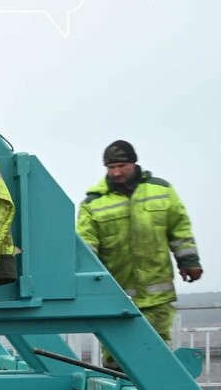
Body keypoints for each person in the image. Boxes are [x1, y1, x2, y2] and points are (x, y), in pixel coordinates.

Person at [77, 140, 203, 366]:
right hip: (116, 295)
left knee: (157, 350)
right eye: (110, 167)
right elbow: (87, 245)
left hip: (157, 293)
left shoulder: (161, 191)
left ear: (134, 164)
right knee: (118, 354)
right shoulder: (93, 203)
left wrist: (189, 261)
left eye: (121, 166)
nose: (116, 172)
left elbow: (179, 230)